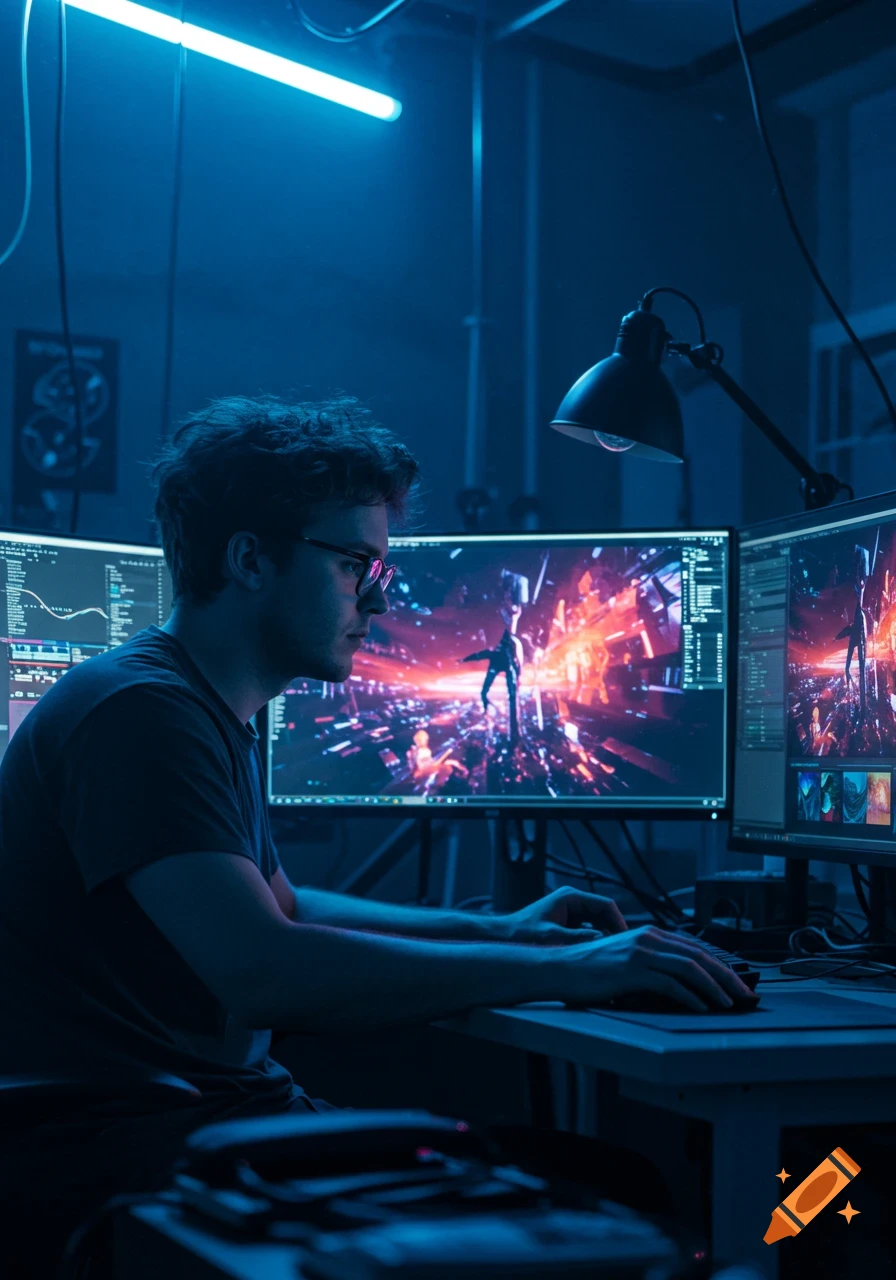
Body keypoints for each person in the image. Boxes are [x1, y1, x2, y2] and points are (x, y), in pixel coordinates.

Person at [0, 395, 756, 1276]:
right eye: (355, 564)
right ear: (249, 560)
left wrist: (505, 932)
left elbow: (284, 908)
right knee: (621, 1193)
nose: (381, 598)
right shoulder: (142, 714)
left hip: (197, 1124)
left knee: (600, 1176)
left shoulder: (201, 708)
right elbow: (264, 971)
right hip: (131, 1157)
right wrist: (571, 969)